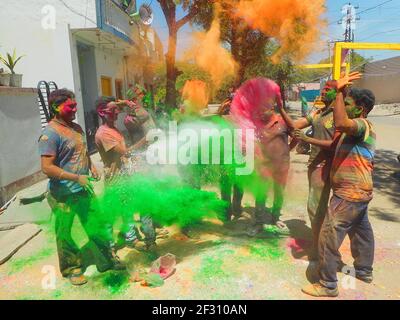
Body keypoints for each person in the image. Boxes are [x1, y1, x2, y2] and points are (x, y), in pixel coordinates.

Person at [39, 89, 124, 286]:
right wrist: (77, 177)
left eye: (75, 105)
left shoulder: (76, 128)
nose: (75, 109)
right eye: (71, 106)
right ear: (56, 107)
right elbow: (47, 167)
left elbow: (82, 153)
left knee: (97, 224)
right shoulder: (49, 134)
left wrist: (92, 166)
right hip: (62, 195)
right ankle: (71, 268)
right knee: (65, 233)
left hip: (83, 190)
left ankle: (107, 260)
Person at [302, 72, 376, 297]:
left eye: (348, 103)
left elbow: (341, 121)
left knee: (328, 235)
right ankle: (364, 270)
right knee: (361, 232)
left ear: (360, 109)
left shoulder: (362, 125)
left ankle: (327, 285)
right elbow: (333, 137)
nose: (343, 105)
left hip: (348, 194)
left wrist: (341, 92)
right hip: (359, 193)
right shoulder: (350, 130)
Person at [278, 82, 337, 260]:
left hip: (327, 166)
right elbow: (296, 126)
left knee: (318, 208)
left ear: (338, 93)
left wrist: (307, 140)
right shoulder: (318, 113)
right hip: (314, 165)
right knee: (316, 208)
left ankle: (320, 251)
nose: (324, 91)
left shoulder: (338, 114)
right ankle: (319, 243)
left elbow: (335, 141)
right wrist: (280, 109)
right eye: (323, 88)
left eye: (328, 89)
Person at [95, 97, 157, 251]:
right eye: (112, 110)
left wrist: (129, 104)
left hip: (124, 175)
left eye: (117, 109)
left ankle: (131, 238)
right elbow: (125, 152)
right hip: (114, 179)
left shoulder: (114, 129)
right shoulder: (103, 133)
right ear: (101, 112)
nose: (117, 113)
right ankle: (108, 249)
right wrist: (145, 140)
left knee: (126, 208)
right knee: (111, 213)